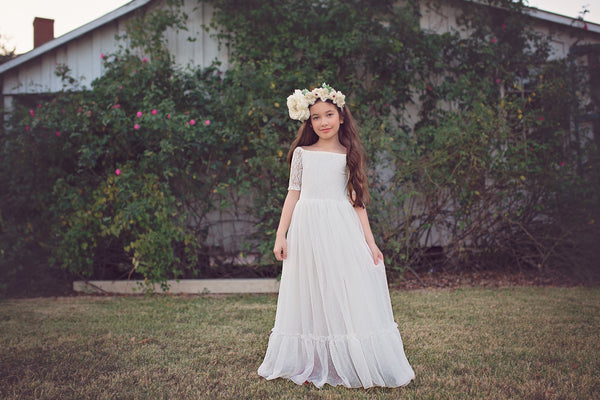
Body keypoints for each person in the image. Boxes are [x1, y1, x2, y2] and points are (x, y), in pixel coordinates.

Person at [257, 83, 415, 389]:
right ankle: (315, 359)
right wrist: (281, 235)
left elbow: (357, 203)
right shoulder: (302, 154)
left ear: (341, 116)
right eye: (316, 117)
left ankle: (348, 356)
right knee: (312, 287)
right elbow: (292, 195)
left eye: (329, 114)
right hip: (307, 227)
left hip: (340, 226)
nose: (323, 122)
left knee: (341, 285)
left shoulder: (348, 154)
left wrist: (370, 242)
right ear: (308, 121)